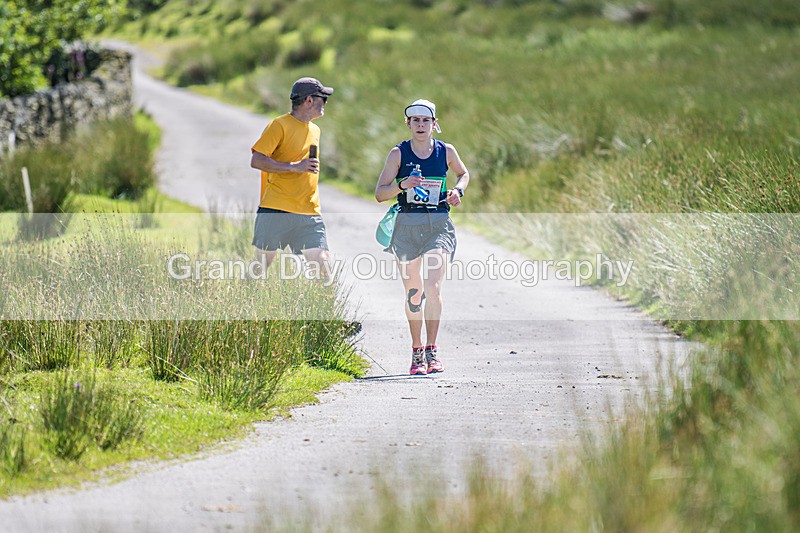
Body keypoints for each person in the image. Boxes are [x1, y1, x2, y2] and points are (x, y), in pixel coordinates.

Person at [374, 99, 470, 375]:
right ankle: (417, 351)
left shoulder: (446, 150)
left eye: (425, 121)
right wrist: (402, 185)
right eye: (415, 121)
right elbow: (380, 193)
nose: (420, 125)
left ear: (434, 124)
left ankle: (432, 348)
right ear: (408, 124)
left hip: (438, 224)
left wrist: (458, 191)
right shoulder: (398, 154)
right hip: (406, 226)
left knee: (434, 288)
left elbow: (463, 174)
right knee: (414, 293)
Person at [249, 77, 334, 280]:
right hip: (276, 208)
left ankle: (326, 311)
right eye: (323, 98)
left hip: (308, 211)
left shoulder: (315, 130)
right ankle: (240, 306)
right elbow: (257, 160)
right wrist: (294, 167)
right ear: (309, 101)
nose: (325, 103)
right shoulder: (278, 125)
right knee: (261, 265)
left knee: (322, 261)